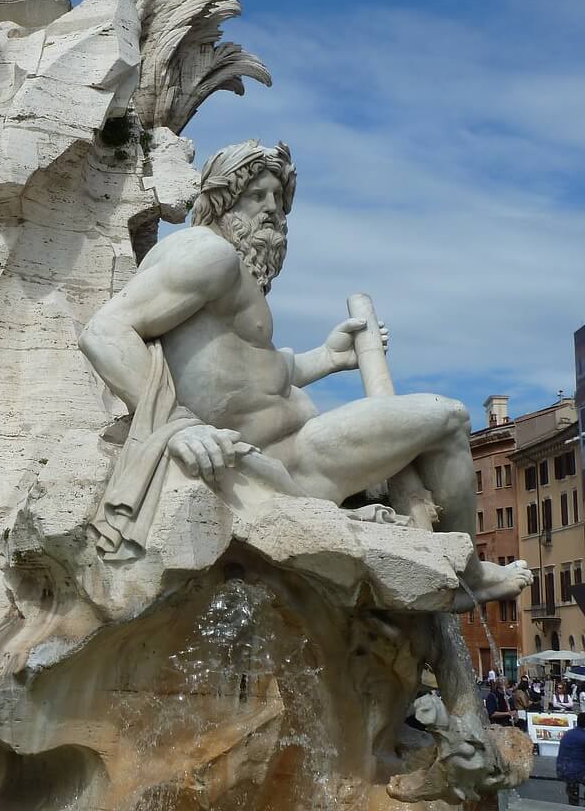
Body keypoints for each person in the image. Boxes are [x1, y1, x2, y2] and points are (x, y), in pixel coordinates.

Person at [78, 140, 533, 608]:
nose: (273, 211)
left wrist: (327, 357)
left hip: (299, 453)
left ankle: (461, 569)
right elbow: (105, 331)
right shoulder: (204, 254)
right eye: (258, 196)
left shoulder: (237, 276)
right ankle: (472, 576)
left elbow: (253, 376)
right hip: (274, 461)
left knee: (441, 420)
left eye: (279, 200)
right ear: (223, 200)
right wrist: (175, 427)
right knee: (451, 416)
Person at [557, 712, 585, 806]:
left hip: (562, 769)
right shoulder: (583, 736)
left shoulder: (569, 733)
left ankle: (573, 803)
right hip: (577, 772)